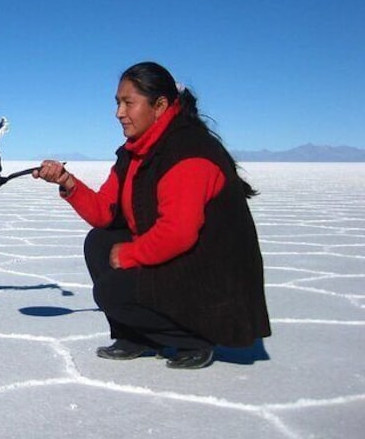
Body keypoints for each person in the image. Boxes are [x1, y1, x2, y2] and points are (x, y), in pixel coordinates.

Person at [33, 61, 270, 369]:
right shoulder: (135, 151)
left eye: (128, 103)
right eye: (117, 103)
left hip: (212, 275)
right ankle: (136, 337)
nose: (119, 112)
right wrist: (67, 182)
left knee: (112, 292)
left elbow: (179, 232)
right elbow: (106, 213)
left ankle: (195, 338)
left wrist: (131, 254)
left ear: (159, 106)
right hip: (182, 260)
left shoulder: (188, 152)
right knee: (100, 242)